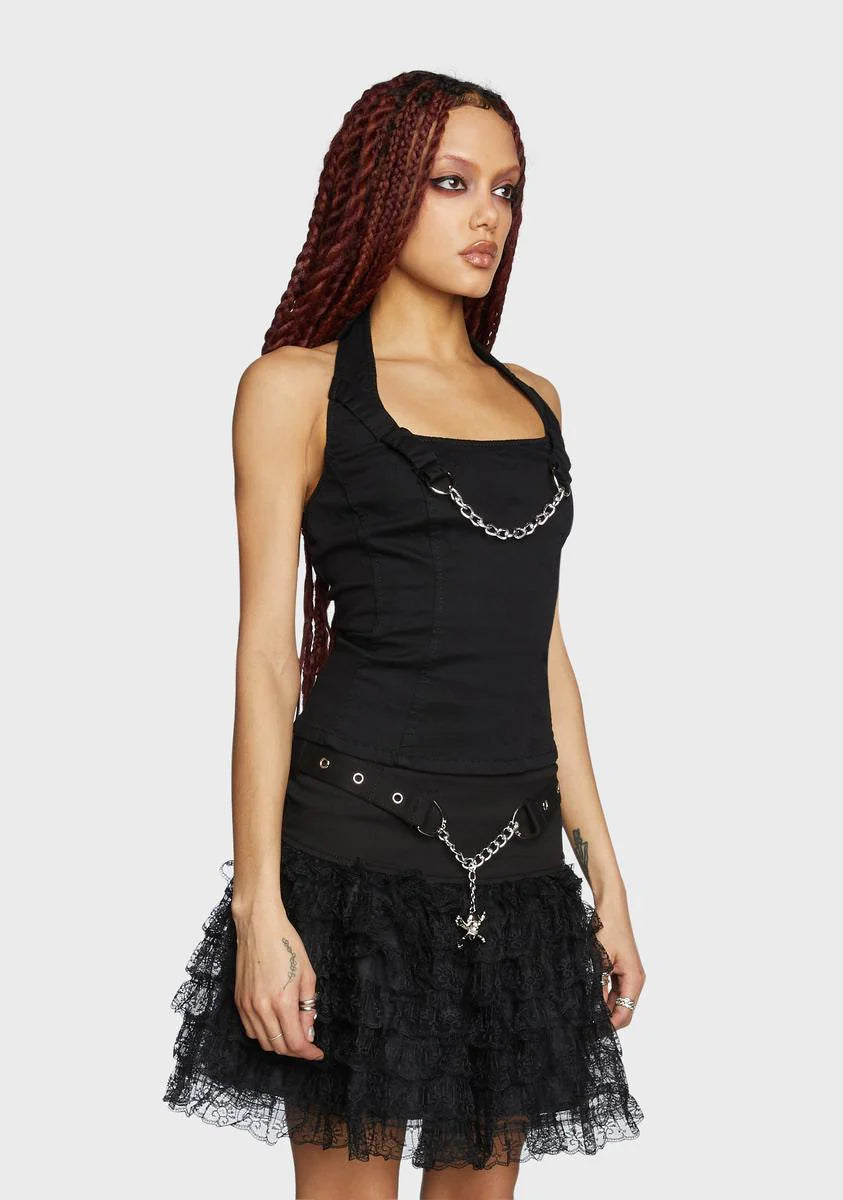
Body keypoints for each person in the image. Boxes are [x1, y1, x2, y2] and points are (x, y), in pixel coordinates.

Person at [162, 69, 646, 1200]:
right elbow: (266, 657)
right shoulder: (293, 389)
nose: (489, 216)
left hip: (520, 863)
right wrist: (261, 906)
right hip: (355, 856)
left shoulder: (535, 400)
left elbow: (540, 650)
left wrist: (607, 877)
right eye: (453, 182)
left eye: (507, 190)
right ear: (381, 191)